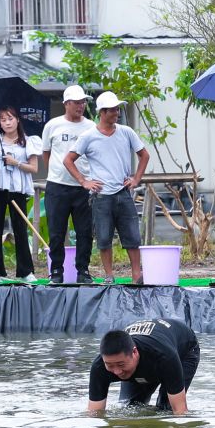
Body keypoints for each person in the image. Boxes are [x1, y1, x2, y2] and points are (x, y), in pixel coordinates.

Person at [66, 92, 150, 284]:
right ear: (102, 112)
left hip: (123, 191)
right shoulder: (88, 136)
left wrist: (136, 178)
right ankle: (109, 275)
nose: (117, 113)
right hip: (101, 194)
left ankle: (137, 275)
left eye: (117, 109)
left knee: (132, 236)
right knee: (103, 238)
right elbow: (68, 160)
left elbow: (144, 155)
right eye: (113, 110)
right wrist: (84, 181)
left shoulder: (126, 132)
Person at [87, 318, 200, 415]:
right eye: (110, 365)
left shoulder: (164, 356)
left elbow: (180, 411)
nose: (117, 371)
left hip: (184, 350)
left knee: (166, 408)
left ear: (134, 352)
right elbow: (95, 413)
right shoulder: (99, 366)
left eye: (121, 364)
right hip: (149, 356)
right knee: (130, 408)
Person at [43, 85, 97, 284]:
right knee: (56, 231)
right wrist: (56, 172)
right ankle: (56, 270)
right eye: (76, 102)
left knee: (84, 231)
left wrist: (87, 179)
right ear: (66, 103)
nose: (80, 106)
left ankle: (83, 270)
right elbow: (46, 153)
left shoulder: (91, 126)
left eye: (83, 102)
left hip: (83, 187)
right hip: (57, 185)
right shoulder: (52, 125)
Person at [0, 105, 42, 283]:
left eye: (10, 118)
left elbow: (34, 168)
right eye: (3, 119)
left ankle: (25, 270)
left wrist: (15, 163)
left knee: (20, 228)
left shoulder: (27, 141)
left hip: (18, 189)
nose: (7, 123)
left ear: (18, 120)